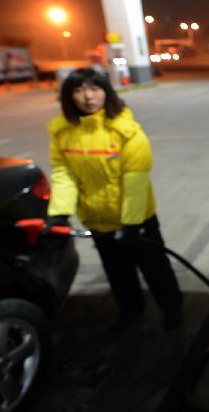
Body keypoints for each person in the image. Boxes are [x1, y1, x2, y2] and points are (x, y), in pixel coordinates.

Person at [45, 67, 183, 331]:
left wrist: (132, 223)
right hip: (97, 219)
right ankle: (131, 310)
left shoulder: (126, 131)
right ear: (68, 96)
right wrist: (59, 214)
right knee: (117, 272)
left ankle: (172, 309)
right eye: (78, 90)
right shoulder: (62, 133)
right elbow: (64, 175)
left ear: (106, 92)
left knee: (155, 269)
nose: (88, 97)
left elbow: (135, 181)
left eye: (95, 89)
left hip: (138, 218)